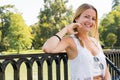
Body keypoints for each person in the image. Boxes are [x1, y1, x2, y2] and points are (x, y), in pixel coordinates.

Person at [42, 3, 111, 80]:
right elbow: (47, 48)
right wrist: (66, 29)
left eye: (93, 18)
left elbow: (105, 70)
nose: (90, 21)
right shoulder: (70, 41)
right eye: (86, 17)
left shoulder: (95, 41)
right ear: (76, 18)